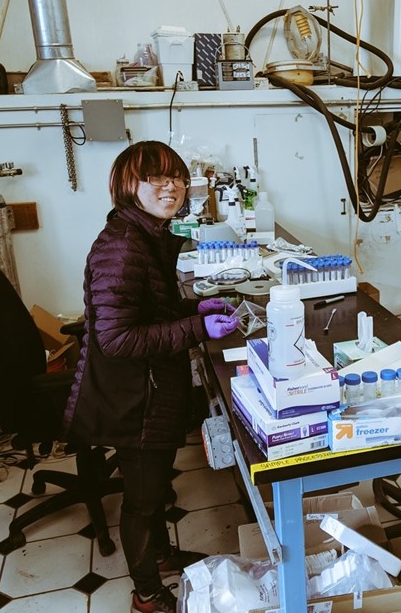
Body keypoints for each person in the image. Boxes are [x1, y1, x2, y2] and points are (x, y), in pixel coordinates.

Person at [62, 140, 239, 613]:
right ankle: (147, 592)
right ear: (128, 185)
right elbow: (118, 339)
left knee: (156, 483)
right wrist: (196, 327)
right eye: (156, 178)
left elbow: (151, 311)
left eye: (178, 176)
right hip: (132, 395)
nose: (173, 186)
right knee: (141, 498)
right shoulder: (121, 246)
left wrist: (193, 308)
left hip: (151, 386)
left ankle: (160, 554)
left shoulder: (145, 233)